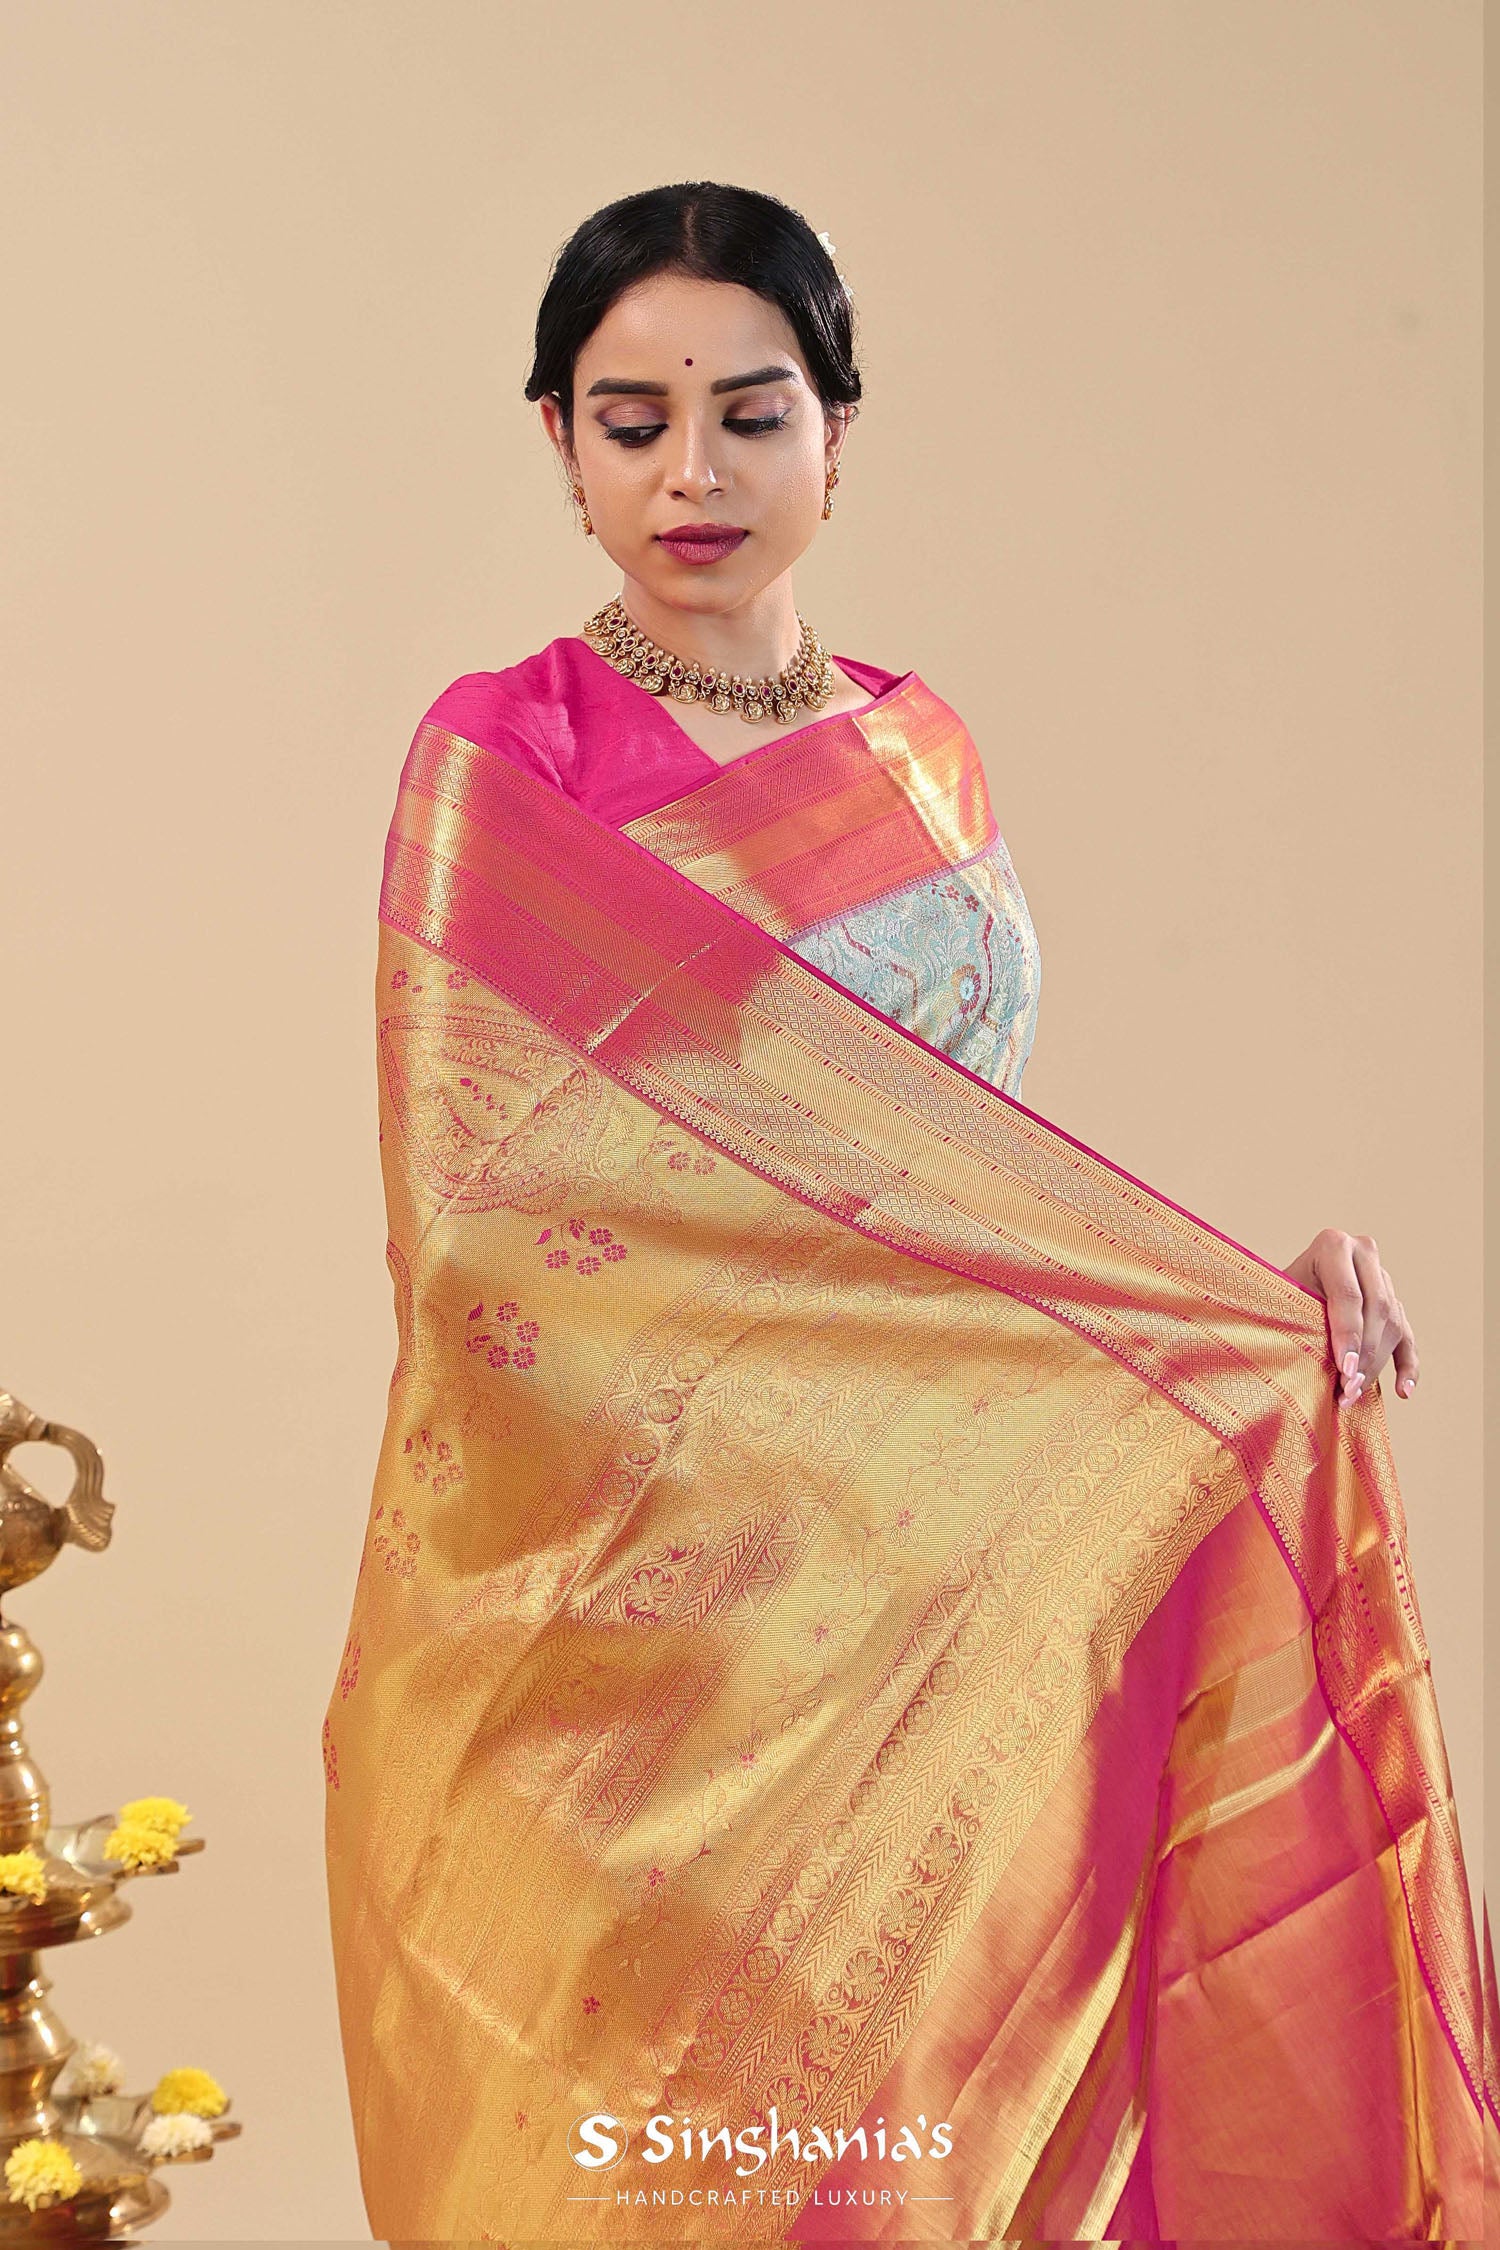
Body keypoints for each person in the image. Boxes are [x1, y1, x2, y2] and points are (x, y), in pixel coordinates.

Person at [323, 182, 1497, 2242]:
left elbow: (976, 1174)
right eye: (634, 421)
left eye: (753, 414)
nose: (694, 473)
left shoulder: (916, 750)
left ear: (839, 437)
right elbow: (487, 1228)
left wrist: (1232, 1307)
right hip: (655, 1644)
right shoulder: (510, 761)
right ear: (562, 446)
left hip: (939, 1599)